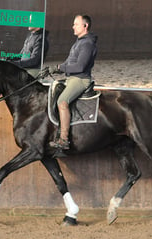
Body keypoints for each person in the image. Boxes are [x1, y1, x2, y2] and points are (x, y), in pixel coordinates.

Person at [49, 14, 98, 150]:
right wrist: (56, 69)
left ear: (85, 26)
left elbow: (80, 67)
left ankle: (64, 139)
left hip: (80, 79)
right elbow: (69, 62)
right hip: (71, 78)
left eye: (76, 24)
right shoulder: (79, 42)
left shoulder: (87, 44)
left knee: (62, 102)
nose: (73, 27)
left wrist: (61, 68)